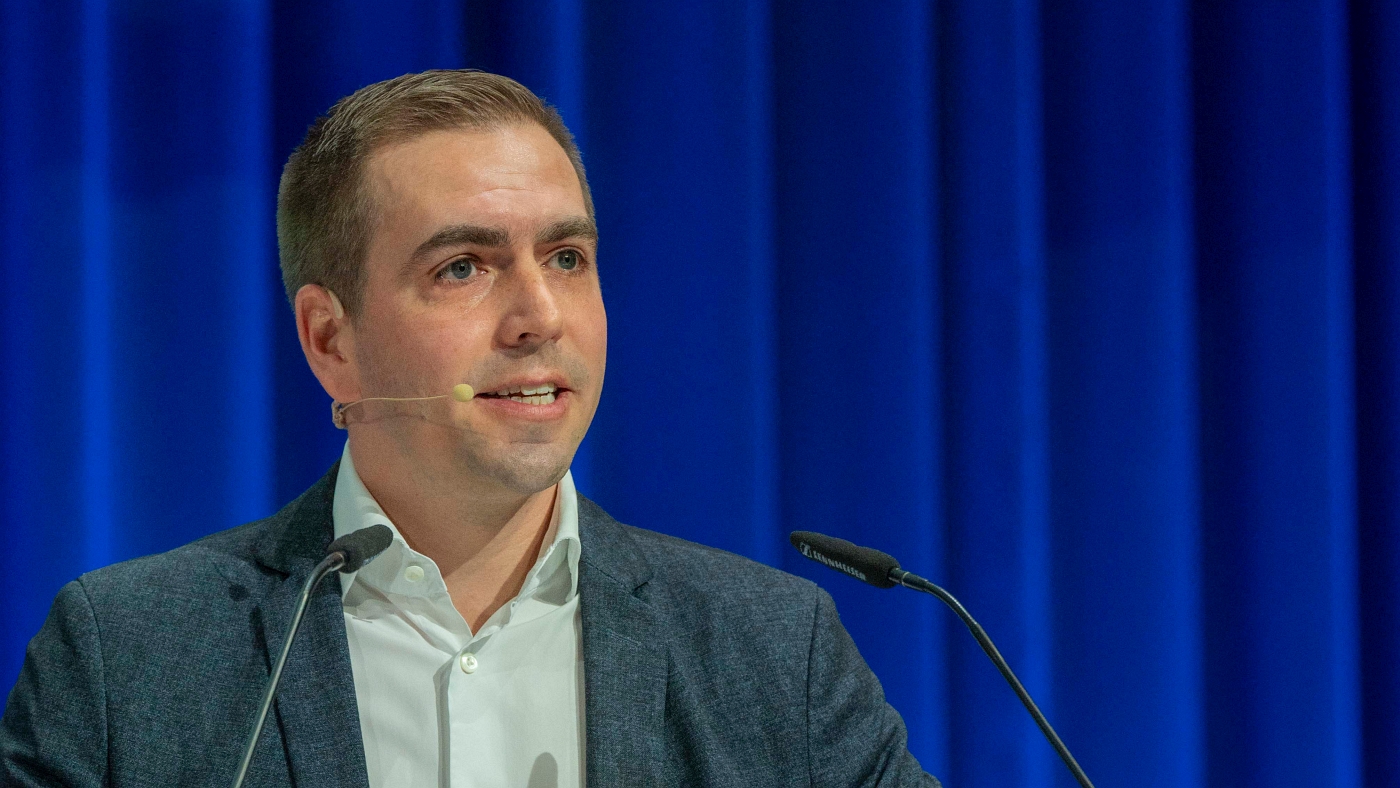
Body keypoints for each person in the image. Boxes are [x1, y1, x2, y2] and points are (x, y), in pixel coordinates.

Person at [0, 69, 938, 787]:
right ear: (330, 339)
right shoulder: (130, 656)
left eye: (566, 257)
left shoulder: (772, 652)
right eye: (463, 268)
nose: (540, 317)